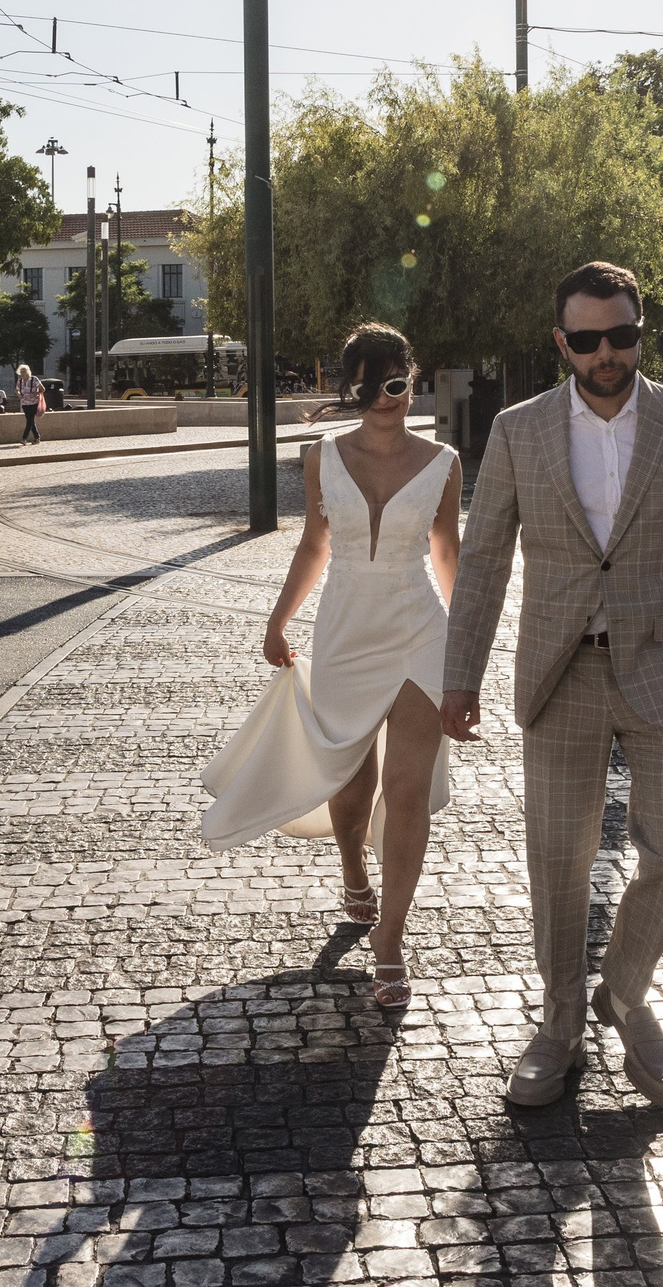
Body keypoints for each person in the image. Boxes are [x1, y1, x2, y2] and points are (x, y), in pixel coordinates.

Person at [440, 260, 663, 1109]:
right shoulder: (518, 429)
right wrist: (460, 674)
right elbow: (483, 560)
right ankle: (559, 1025)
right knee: (558, 860)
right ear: (562, 342)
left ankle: (621, 989)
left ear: (639, 332)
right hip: (561, 669)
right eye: (587, 339)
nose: (605, 353)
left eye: (620, 335)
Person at [201, 324, 459, 1010]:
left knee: (406, 788)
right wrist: (277, 620)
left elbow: (447, 554)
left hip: (421, 630)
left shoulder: (443, 461)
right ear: (354, 390)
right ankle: (353, 869)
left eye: (398, 382)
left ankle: (391, 939)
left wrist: (468, 648)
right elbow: (314, 543)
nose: (388, 399)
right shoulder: (322, 457)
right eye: (372, 387)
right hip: (346, 629)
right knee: (351, 779)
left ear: (412, 378)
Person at [14, 364, 45, 445]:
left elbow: (42, 389)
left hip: (33, 403)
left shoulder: (34, 379)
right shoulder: (20, 381)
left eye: (24, 371)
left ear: (28, 372)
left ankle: (24, 438)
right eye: (21, 372)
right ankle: (37, 438)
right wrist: (19, 394)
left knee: (29, 420)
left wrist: (35, 393)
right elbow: (16, 390)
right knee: (30, 421)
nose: (22, 373)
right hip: (24, 403)